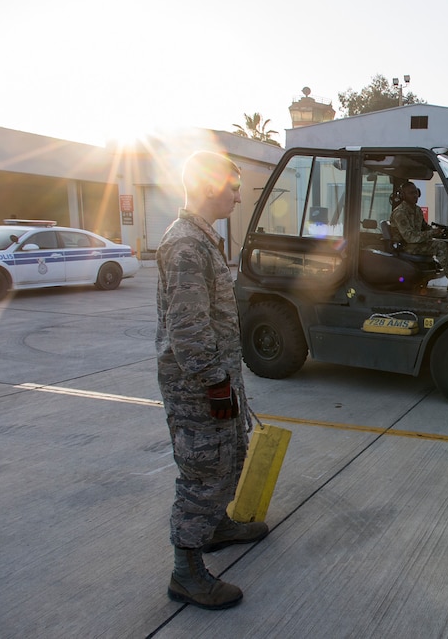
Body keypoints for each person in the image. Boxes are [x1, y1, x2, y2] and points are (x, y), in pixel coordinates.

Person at [156, 151, 268, 611]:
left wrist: (227, 380)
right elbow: (187, 329)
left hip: (217, 378)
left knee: (229, 457)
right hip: (198, 386)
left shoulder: (202, 240)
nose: (239, 196)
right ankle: (187, 573)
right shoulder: (186, 245)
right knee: (203, 472)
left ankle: (217, 526)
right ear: (206, 186)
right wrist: (215, 383)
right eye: (232, 187)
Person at [389, 181, 448, 292]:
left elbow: (425, 227)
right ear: (403, 195)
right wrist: (432, 233)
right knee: (440, 246)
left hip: (416, 244)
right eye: (411, 193)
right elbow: (410, 237)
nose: (415, 195)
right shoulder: (400, 213)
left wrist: (440, 232)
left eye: (416, 192)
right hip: (406, 246)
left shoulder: (417, 210)